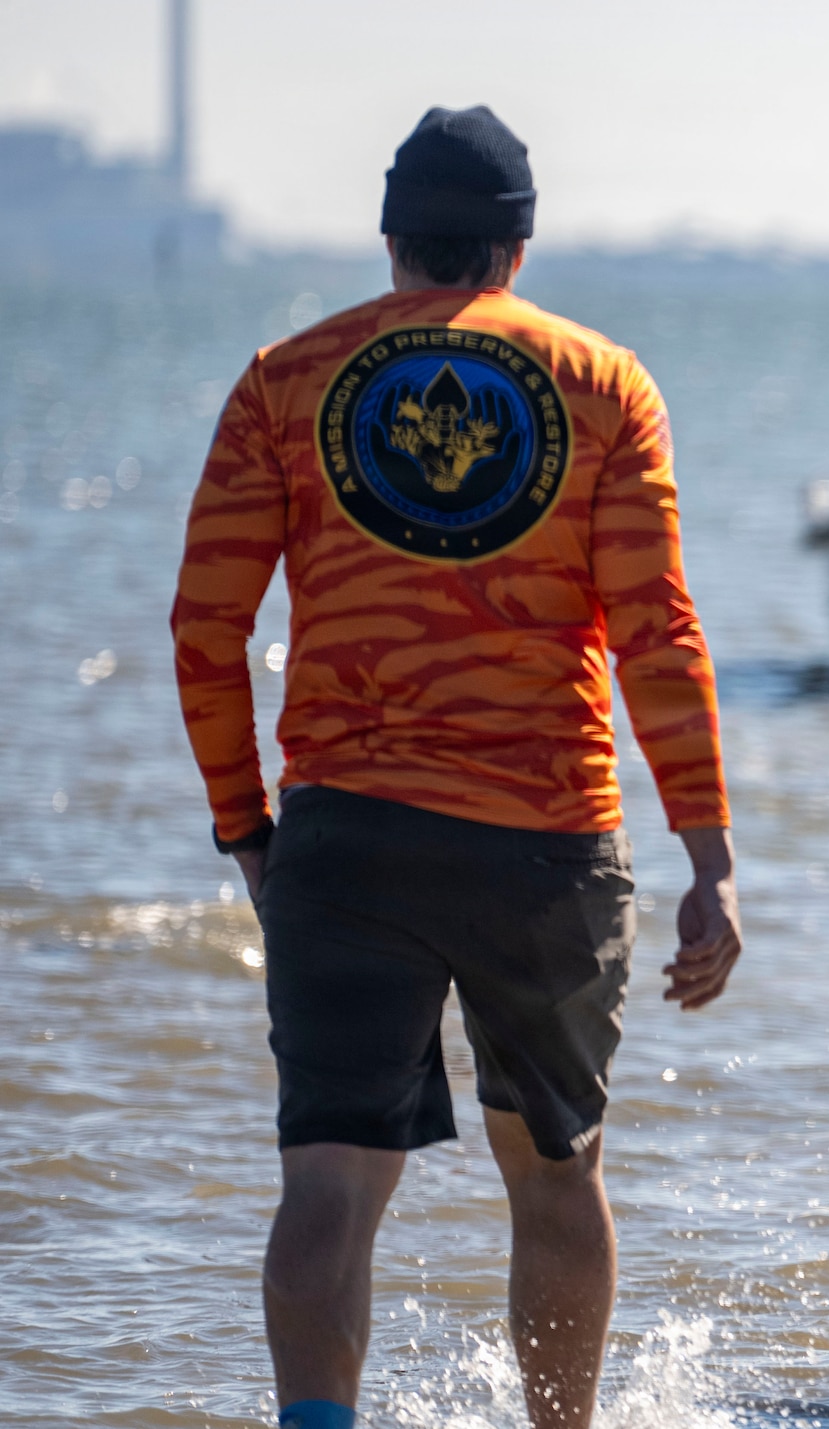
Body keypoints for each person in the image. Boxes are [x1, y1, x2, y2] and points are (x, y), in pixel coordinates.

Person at [169, 107, 742, 1429]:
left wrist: (247, 830)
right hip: (544, 839)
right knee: (553, 1172)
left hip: (345, 827)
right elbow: (657, 626)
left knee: (327, 1182)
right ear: (518, 248)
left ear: (390, 242)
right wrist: (709, 854)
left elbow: (207, 625)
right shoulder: (602, 385)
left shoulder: (287, 379)